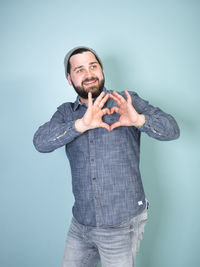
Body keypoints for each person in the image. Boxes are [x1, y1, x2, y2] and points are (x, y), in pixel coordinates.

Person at [33, 46, 180, 267]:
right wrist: (80, 125)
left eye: (93, 66)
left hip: (121, 224)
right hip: (81, 223)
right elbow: (40, 142)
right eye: (79, 70)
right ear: (69, 79)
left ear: (101, 70)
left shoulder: (127, 102)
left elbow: (172, 130)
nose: (89, 74)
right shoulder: (66, 113)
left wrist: (140, 120)